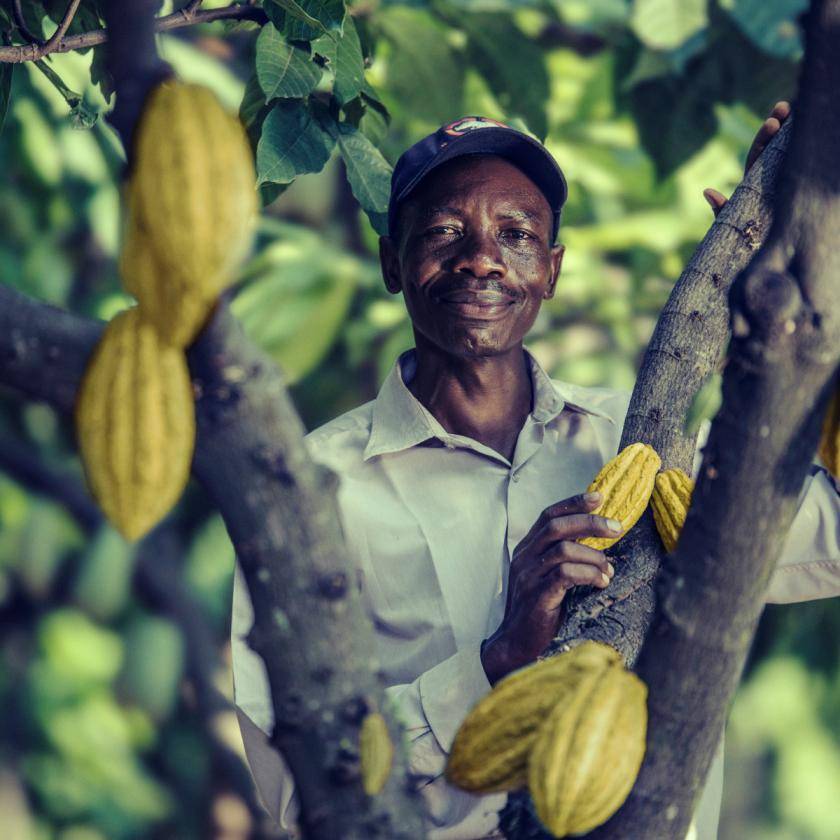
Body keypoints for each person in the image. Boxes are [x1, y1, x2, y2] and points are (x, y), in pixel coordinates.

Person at [231, 108, 840, 839]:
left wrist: (806, 257)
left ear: (551, 270)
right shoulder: (309, 492)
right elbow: (300, 787)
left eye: (516, 235)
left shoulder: (642, 443)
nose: (482, 259)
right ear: (394, 263)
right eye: (445, 232)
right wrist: (496, 660)